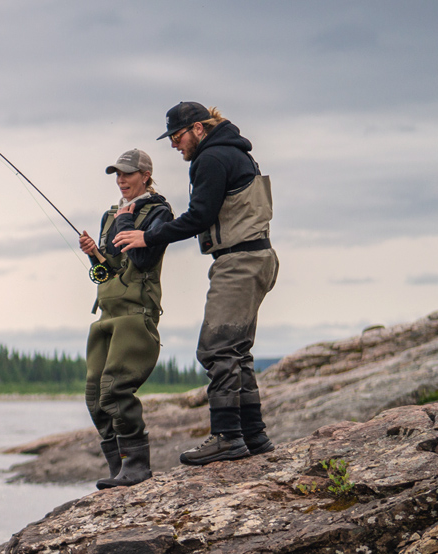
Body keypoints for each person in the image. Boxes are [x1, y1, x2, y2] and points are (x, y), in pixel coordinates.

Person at [114, 102, 279, 466]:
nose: (174, 144)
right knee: (237, 352)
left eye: (177, 136)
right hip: (258, 257)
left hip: (240, 261)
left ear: (199, 129)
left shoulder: (212, 158)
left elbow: (199, 216)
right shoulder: (234, 153)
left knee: (215, 349)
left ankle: (227, 438)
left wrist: (149, 236)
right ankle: (254, 436)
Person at [78, 148, 173, 489]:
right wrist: (95, 256)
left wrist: (126, 221)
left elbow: (145, 259)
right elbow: (112, 270)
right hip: (107, 313)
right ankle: (118, 468)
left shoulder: (159, 211)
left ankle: (138, 467)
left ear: (145, 175)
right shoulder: (112, 215)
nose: (121, 179)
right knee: (95, 396)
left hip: (136, 314)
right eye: (117, 173)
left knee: (116, 390)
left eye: (127, 173)